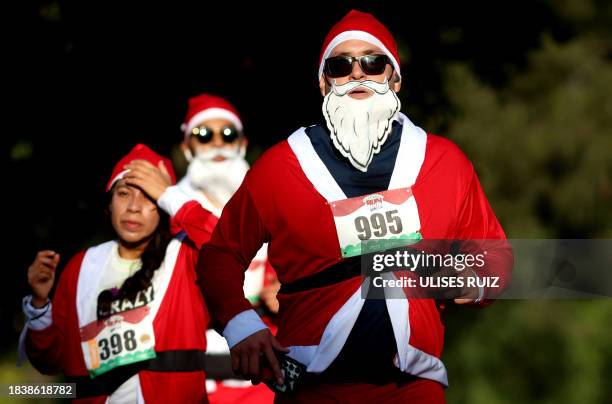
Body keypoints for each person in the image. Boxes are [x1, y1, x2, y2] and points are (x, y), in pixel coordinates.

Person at [196, 9, 513, 403]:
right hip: (311, 385)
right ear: (323, 82)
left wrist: (473, 278)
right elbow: (219, 256)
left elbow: (495, 255)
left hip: (413, 385)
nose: (358, 73)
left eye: (373, 62)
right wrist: (241, 326)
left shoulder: (444, 161)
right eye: (341, 65)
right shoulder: (280, 167)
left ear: (394, 78)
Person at [21, 144, 218, 403]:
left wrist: (173, 196)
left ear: (163, 204)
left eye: (148, 196)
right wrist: (39, 306)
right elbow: (51, 362)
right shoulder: (81, 266)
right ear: (109, 203)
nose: (133, 207)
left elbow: (230, 243)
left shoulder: (184, 255)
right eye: (123, 193)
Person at [179, 94, 278, 403]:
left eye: (228, 134)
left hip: (264, 375)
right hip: (195, 377)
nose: (218, 143)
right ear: (187, 147)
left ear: (242, 144)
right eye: (204, 135)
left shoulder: (271, 201)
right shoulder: (169, 213)